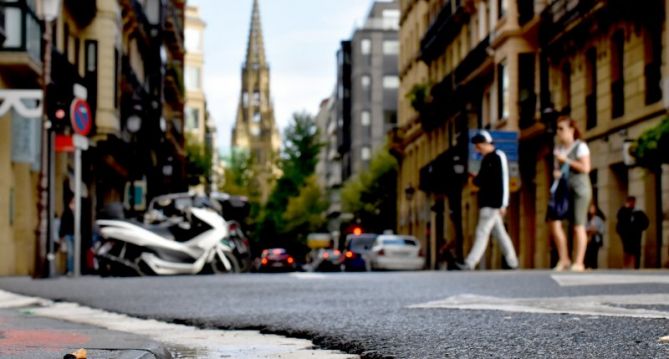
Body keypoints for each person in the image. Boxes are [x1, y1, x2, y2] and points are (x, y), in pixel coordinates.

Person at [457, 130, 518, 270]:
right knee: (500, 233)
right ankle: (512, 261)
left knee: (482, 232)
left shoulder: (498, 156)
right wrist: (474, 179)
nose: (478, 150)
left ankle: (470, 262)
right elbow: (482, 180)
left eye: (479, 146)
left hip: (493, 204)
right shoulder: (485, 160)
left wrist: (504, 203)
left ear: (486, 143)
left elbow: (504, 180)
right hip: (487, 203)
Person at [549, 116, 592, 272]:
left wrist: (566, 160)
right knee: (554, 222)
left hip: (580, 189)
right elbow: (557, 169)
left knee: (578, 225)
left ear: (572, 130)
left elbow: (586, 168)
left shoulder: (581, 146)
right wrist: (556, 172)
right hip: (563, 190)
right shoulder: (558, 148)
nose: (558, 132)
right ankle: (564, 258)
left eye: (562, 129)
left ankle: (579, 262)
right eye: (557, 129)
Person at [616, 196, 649, 269]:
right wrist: (625, 208)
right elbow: (619, 218)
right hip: (626, 234)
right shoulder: (623, 210)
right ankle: (626, 265)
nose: (631, 203)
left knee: (636, 250)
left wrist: (640, 228)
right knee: (627, 250)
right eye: (629, 202)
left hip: (636, 234)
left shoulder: (638, 212)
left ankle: (636, 266)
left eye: (633, 202)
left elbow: (646, 222)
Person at [585, 203, 605, 269]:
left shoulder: (598, 219)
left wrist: (595, 230)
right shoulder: (586, 218)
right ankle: (587, 266)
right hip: (587, 238)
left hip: (595, 239)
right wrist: (589, 230)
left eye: (593, 208)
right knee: (587, 253)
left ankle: (594, 266)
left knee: (594, 253)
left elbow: (602, 230)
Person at [59, 197, 75, 275]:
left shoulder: (76, 212)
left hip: (75, 235)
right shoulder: (66, 212)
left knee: (74, 253)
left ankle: (74, 269)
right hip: (68, 235)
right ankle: (70, 270)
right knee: (70, 253)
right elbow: (63, 224)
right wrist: (61, 235)